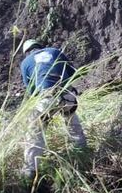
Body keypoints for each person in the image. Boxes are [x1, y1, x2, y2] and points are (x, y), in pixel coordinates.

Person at [19, 38, 87, 179]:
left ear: (27, 52)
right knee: (72, 123)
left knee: (35, 132)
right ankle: (82, 153)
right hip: (67, 97)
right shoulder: (55, 51)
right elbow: (73, 72)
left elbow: (32, 91)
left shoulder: (25, 63)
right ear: (40, 46)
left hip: (45, 99)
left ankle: (30, 170)